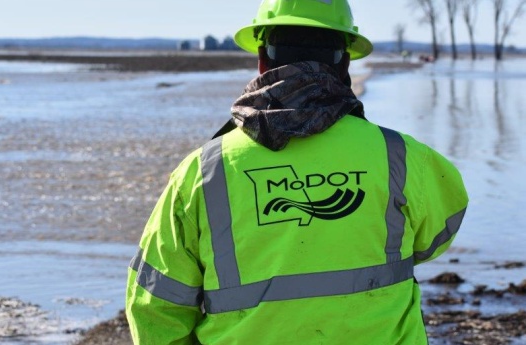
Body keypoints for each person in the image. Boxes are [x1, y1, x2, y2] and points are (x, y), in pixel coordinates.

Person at [125, 0, 469, 343]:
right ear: (345, 63)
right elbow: (438, 232)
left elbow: (157, 307)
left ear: (262, 60)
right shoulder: (402, 157)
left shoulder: (202, 172)